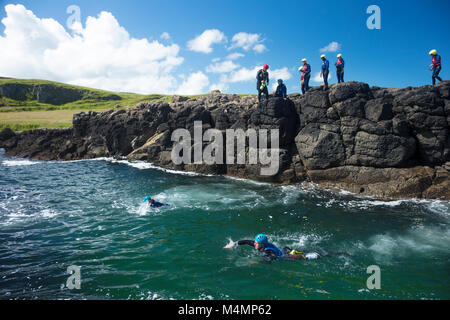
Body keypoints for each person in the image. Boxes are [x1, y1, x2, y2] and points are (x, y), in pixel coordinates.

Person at [224, 234, 349, 263]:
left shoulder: (267, 250)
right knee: (305, 251)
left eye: (256, 243)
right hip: (285, 250)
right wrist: (233, 244)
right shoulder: (259, 245)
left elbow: (271, 260)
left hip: (287, 255)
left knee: (313, 256)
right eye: (255, 242)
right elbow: (245, 241)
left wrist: (256, 262)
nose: (254, 244)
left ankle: (339, 254)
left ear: (261, 244)